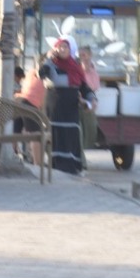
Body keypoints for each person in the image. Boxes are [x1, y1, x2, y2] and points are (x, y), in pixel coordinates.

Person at [40, 37, 94, 175]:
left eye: (65, 47)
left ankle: (72, 166)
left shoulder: (75, 67)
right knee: (56, 135)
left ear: (70, 50)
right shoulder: (51, 64)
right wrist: (49, 59)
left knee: (71, 134)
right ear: (55, 49)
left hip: (71, 108)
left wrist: (91, 99)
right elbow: (41, 74)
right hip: (54, 107)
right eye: (60, 47)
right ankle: (56, 166)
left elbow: (84, 87)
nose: (62, 49)